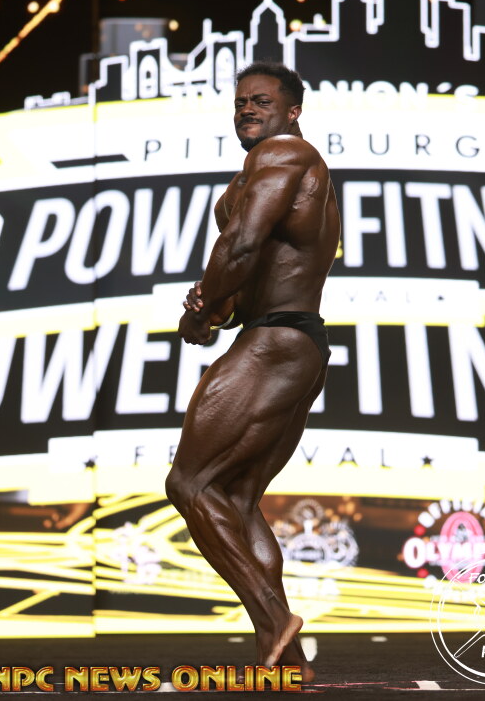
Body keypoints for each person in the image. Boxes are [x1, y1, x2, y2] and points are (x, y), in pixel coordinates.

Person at [166, 61, 340, 679]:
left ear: (292, 111)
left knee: (190, 484)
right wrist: (215, 306)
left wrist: (202, 310)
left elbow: (240, 244)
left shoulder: (284, 153)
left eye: (261, 101)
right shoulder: (270, 166)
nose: (247, 109)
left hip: (275, 342)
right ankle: (286, 658)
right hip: (291, 341)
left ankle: (272, 620)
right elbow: (253, 264)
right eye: (241, 101)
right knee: (236, 498)